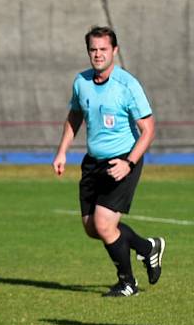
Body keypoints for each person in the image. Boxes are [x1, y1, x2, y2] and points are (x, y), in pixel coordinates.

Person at [52, 26, 165, 297]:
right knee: (93, 228)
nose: (98, 54)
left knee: (104, 224)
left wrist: (129, 162)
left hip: (123, 161)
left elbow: (148, 130)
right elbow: (75, 116)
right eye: (93, 49)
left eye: (103, 49)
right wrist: (62, 151)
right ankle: (148, 248)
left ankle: (128, 282)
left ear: (114, 50)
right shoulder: (81, 82)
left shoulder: (127, 85)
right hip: (93, 162)